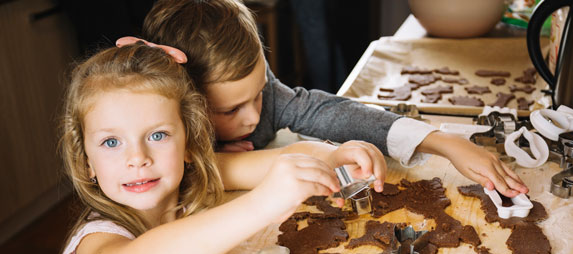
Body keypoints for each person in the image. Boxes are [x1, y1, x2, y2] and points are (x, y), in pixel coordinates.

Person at [55, 42, 387, 254]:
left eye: (158, 135)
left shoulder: (194, 176)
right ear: (86, 162)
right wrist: (261, 204)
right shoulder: (95, 241)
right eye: (111, 142)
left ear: (188, 144)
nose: (137, 157)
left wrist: (335, 155)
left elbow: (285, 159)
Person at [118, 0, 528, 198]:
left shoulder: (264, 99)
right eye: (230, 109)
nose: (254, 115)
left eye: (260, 93)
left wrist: (440, 140)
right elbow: (203, 174)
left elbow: (330, 111)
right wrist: (319, 155)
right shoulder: (154, 137)